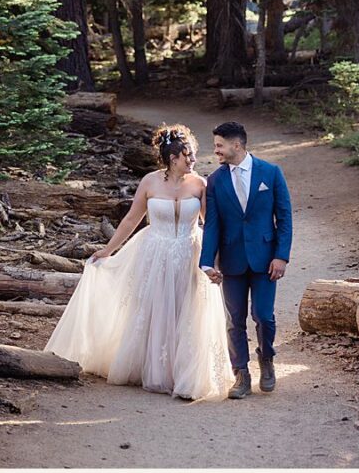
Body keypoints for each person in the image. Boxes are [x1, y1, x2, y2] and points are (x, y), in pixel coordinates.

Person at [44, 124, 234, 400]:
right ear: (173, 158)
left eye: (193, 155)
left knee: (186, 310)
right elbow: (131, 219)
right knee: (154, 308)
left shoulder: (200, 184)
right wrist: (108, 250)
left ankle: (184, 373)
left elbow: (211, 224)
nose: (193, 160)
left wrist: (214, 260)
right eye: (188, 155)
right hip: (155, 252)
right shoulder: (149, 182)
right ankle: (155, 370)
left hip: (189, 252)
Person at [198, 120, 293, 399]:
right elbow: (212, 224)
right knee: (234, 320)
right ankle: (240, 373)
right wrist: (207, 262)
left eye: (219, 145)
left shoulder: (271, 173)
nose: (215, 150)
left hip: (266, 260)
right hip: (233, 259)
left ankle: (267, 360)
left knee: (263, 316)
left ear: (236, 145)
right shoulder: (215, 180)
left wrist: (281, 256)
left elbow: (284, 218)